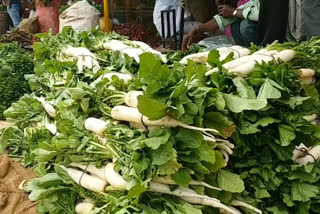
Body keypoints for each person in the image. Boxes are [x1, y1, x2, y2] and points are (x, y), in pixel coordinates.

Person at [182, 0, 260, 50]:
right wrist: (198, 29)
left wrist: (234, 12)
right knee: (235, 23)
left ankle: (259, 52)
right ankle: (247, 52)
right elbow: (227, 17)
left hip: (268, 34)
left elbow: (259, 13)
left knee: (245, 25)